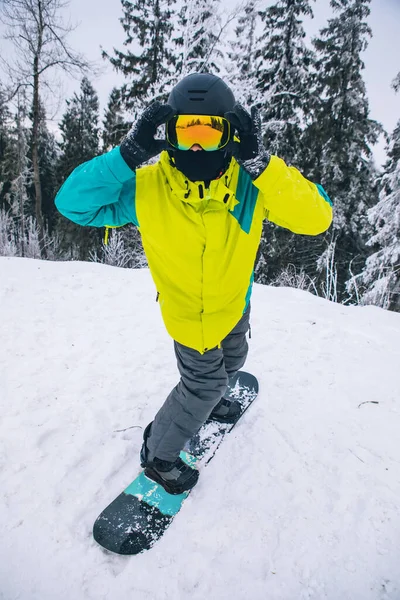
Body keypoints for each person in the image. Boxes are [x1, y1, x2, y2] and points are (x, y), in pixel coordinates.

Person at [55, 72, 333, 495]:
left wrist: (263, 167)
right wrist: (127, 156)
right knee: (201, 386)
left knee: (235, 358)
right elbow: (71, 203)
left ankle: (214, 398)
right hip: (189, 320)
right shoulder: (146, 188)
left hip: (234, 305)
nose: (198, 145)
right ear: (168, 135)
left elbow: (317, 219)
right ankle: (159, 455)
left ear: (231, 134)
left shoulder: (253, 185)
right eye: (187, 132)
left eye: (209, 130)